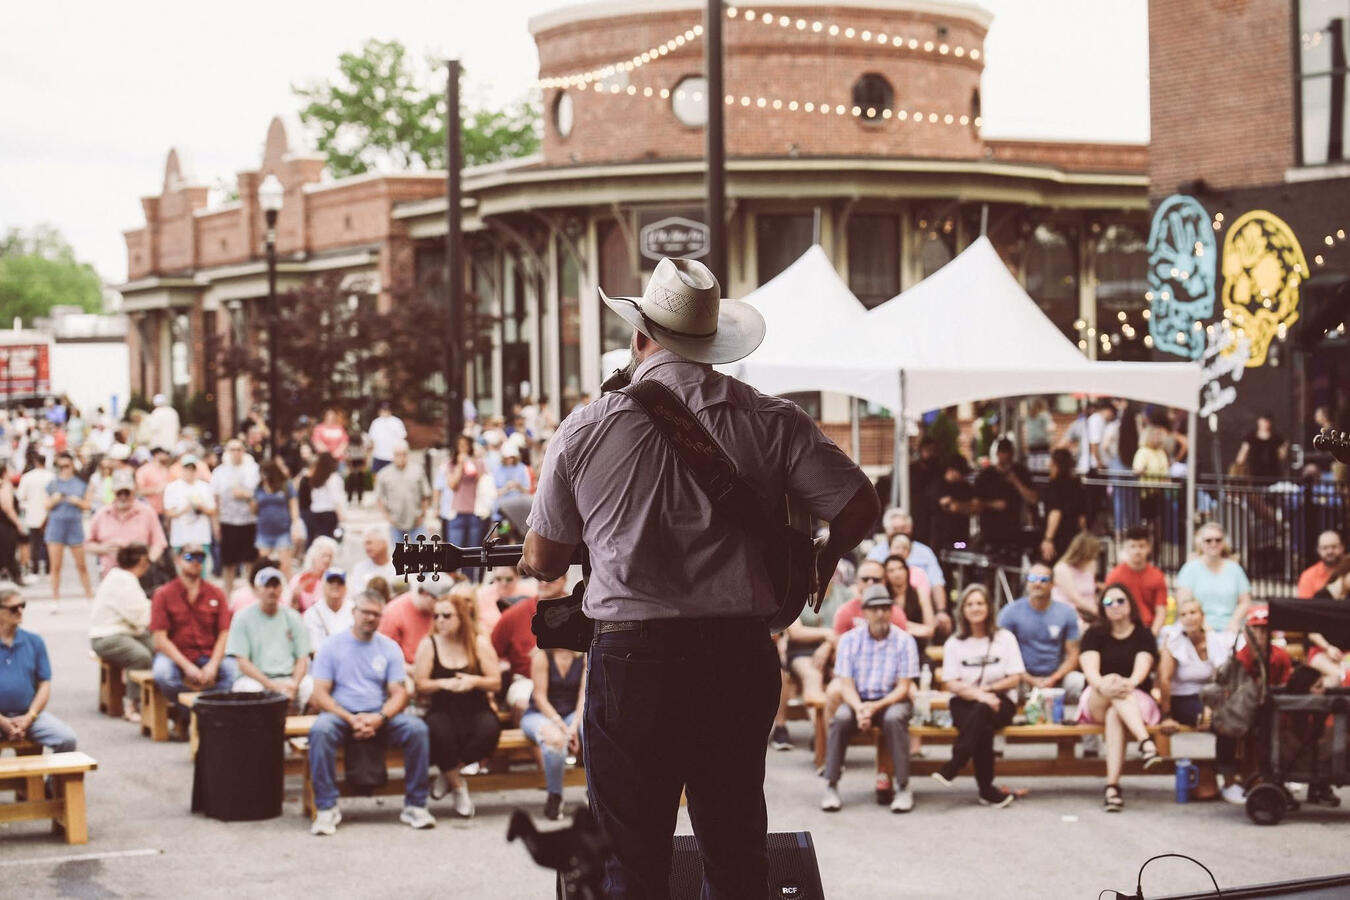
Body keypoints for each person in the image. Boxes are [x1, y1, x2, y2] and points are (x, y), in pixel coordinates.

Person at [521, 256, 877, 898]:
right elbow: (857, 504)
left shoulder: (585, 429)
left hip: (634, 659)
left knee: (631, 859)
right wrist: (820, 561)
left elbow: (544, 562)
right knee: (735, 845)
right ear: (713, 345)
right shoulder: (773, 420)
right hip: (737, 656)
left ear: (637, 338)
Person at [307, 588, 434, 835]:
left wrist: (379, 718)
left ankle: (416, 805)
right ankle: (326, 807)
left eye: (376, 614)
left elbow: (399, 692)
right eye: (365, 612)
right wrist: (350, 718)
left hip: (379, 714)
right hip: (341, 715)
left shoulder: (389, 648)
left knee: (417, 730)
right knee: (320, 731)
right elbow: (320, 692)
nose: (370, 618)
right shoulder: (332, 645)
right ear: (354, 612)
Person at [820, 585, 920, 814]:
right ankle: (831, 784)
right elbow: (846, 684)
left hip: (891, 700)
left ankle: (904, 786)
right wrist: (860, 708)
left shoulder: (904, 640)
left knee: (895, 719)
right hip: (859, 699)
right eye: (875, 609)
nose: (881, 614)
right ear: (864, 612)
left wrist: (874, 707)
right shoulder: (849, 640)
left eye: (885, 608)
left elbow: (904, 687)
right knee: (841, 719)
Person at [931, 584, 1022, 808]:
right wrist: (979, 696)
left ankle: (956, 762)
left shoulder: (1005, 638)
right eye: (970, 604)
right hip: (964, 702)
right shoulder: (954, 643)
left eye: (980, 603)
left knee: (983, 711)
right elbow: (951, 682)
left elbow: (1015, 678)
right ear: (962, 610)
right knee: (983, 726)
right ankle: (986, 790)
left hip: (1001, 701)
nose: (975, 608)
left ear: (989, 608)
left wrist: (988, 693)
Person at [414, 586, 502, 819]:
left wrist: (473, 681)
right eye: (436, 616)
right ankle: (459, 788)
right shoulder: (429, 644)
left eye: (446, 615)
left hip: (475, 705)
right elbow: (420, 684)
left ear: (461, 617)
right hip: (443, 706)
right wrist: (444, 684)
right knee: (440, 733)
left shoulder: (478, 643)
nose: (440, 621)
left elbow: (495, 683)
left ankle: (448, 775)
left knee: (489, 731)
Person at [1078, 583, 1166, 812]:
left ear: (1130, 604)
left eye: (1120, 601)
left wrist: (1129, 683)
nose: (1115, 606)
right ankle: (1146, 742)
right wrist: (1106, 685)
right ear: (1102, 608)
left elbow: (1141, 669)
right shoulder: (1094, 633)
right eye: (1108, 602)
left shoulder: (1143, 634)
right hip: (1097, 696)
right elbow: (1091, 672)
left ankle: (1112, 787)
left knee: (1115, 713)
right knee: (1112, 683)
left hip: (1135, 698)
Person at [150, 543, 237, 740]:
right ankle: (192, 715)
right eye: (190, 558)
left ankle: (194, 716)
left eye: (201, 558)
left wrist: (213, 665)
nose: (196, 563)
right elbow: (160, 639)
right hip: (176, 654)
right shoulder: (164, 594)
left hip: (207, 653)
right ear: (178, 560)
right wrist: (187, 667)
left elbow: (224, 633)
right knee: (164, 675)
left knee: (232, 673)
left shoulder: (216, 593)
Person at [0, 584, 77, 751]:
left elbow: (45, 684)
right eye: (14, 608)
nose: (20, 611)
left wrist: (30, 716)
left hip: (28, 714)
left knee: (67, 739)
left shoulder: (34, 641)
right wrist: (3, 722)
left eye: (23, 606)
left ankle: (52, 778)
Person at [227, 564, 311, 711]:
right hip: (256, 679)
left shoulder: (293, 617)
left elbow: (302, 658)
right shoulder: (242, 618)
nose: (272, 590)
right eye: (267, 586)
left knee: (311, 687)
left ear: (281, 589)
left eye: (275, 585)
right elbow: (242, 662)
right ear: (257, 590)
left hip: (288, 677)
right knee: (251, 690)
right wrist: (271, 686)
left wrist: (294, 684)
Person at [997, 562, 1084, 702]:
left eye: (1044, 580)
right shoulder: (1010, 612)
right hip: (1021, 677)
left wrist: (1054, 678)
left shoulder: (1067, 613)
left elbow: (1073, 655)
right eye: (1032, 579)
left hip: (1056, 678)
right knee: (1004, 685)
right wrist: (1030, 679)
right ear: (1026, 583)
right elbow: (1002, 652)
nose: (1038, 583)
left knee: (1078, 681)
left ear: (1052, 584)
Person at [89, 543, 155, 722]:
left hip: (122, 632)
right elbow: (141, 618)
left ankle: (154, 699)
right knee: (140, 656)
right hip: (107, 636)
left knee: (157, 647)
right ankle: (131, 704)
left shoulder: (121, 577)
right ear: (141, 561)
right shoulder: (123, 580)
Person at [865, 509, 949, 634]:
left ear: (910, 528)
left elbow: (937, 583)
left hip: (919, 608)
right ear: (887, 530)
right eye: (895, 529)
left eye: (903, 528)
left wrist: (941, 611)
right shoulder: (876, 553)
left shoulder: (924, 553)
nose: (899, 533)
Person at [491, 574, 562, 723]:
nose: (544, 582)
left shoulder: (580, 611)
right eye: (540, 578)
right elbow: (492, 653)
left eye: (552, 578)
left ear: (564, 579)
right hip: (526, 681)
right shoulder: (513, 614)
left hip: (569, 681)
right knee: (523, 704)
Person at [1157, 597, 1230, 730]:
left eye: (1192, 612)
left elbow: (1224, 676)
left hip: (1210, 697)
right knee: (1214, 721)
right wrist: (1166, 716)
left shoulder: (1214, 640)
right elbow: (1164, 679)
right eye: (1183, 615)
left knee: (1231, 717)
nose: (1188, 618)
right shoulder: (1173, 641)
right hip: (1182, 698)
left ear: (1202, 616)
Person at [85, 470, 167, 578]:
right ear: (113, 492)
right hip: (110, 573)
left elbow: (159, 543)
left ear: (133, 491)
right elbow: (87, 544)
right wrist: (102, 549)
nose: (123, 496)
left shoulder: (147, 512)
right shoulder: (102, 513)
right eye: (119, 493)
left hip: (140, 574)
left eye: (126, 492)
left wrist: (148, 562)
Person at [1175, 523, 1252, 633]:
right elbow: (1184, 602)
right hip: (1197, 629)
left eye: (1218, 540)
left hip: (1230, 629)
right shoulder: (1190, 569)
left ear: (1223, 543)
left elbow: (1245, 602)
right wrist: (1203, 625)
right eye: (1208, 540)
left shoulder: (1235, 569)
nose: (1213, 544)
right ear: (1200, 543)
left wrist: (1234, 622)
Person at [973, 438, 1037, 559]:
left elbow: (1033, 498)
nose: (1006, 457)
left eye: (1009, 453)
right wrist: (992, 504)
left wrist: (1016, 481)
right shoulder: (986, 475)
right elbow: (975, 503)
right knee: (990, 567)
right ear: (998, 454)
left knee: (1013, 566)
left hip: (1014, 530)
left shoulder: (1020, 472)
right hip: (990, 531)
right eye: (1003, 453)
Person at [44, 451, 94, 608]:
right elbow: (46, 505)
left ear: (72, 465)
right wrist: (55, 499)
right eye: (61, 466)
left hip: (74, 525)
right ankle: (55, 599)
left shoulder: (80, 484)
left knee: (82, 564)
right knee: (55, 566)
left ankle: (89, 596)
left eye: (66, 465)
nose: (64, 469)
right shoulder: (52, 484)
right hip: (56, 525)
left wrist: (77, 502)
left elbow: (88, 505)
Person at [212, 439, 260, 595]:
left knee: (250, 560)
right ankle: (227, 595)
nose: (236, 453)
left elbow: (260, 494)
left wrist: (245, 494)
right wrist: (216, 524)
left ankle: (252, 593)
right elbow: (216, 500)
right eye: (232, 449)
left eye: (239, 449)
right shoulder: (219, 472)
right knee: (228, 562)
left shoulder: (253, 470)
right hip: (228, 521)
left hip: (249, 521)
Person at [434, 434, 485, 574]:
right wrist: (460, 465)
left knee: (471, 553)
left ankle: (468, 581)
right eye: (460, 445)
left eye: (465, 445)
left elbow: (482, 481)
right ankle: (455, 580)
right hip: (457, 512)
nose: (463, 448)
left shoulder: (478, 462)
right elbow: (452, 485)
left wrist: (472, 463)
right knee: (454, 551)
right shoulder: (450, 464)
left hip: (475, 512)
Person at [1104, 526, 1169, 636]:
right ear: (1126, 548)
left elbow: (1161, 610)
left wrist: (1152, 634)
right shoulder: (1114, 576)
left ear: (1149, 547)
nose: (1137, 551)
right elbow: (1107, 606)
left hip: (1149, 628)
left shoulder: (1157, 576)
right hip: (1121, 629)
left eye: (1141, 546)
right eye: (1132, 546)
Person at [380, 578, 452, 665]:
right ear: (425, 593)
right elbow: (383, 653)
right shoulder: (393, 612)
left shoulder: (440, 612)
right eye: (439, 601)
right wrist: (409, 670)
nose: (443, 606)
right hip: (406, 670)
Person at [375, 441, 430, 550]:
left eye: (403, 454)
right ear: (393, 455)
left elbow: (425, 494)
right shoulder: (384, 473)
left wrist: (422, 514)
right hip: (396, 523)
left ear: (407, 454)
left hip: (416, 521)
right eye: (397, 454)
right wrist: (387, 517)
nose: (401, 457)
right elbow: (379, 498)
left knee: (424, 555)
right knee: (399, 558)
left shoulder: (417, 470)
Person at [163, 454, 215, 567]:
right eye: (187, 468)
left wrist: (200, 507)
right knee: (183, 567)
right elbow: (169, 512)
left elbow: (212, 510)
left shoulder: (204, 487)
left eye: (192, 469)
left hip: (200, 537)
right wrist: (184, 509)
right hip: (181, 538)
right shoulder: (172, 488)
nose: (189, 471)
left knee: (199, 567)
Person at [831, 560, 908, 636]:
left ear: (884, 581)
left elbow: (902, 642)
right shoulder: (845, 611)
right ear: (857, 581)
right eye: (865, 579)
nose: (870, 583)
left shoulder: (896, 613)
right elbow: (839, 644)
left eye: (876, 580)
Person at [1306, 557, 1350, 688]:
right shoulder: (1321, 596)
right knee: (1341, 676)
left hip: (1345, 654)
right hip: (1321, 651)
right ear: (1344, 572)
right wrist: (1328, 648)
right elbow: (1312, 631)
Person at [253, 459, 300, 579]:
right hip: (264, 530)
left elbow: (293, 506)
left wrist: (295, 524)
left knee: (285, 565)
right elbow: (254, 510)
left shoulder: (285, 485)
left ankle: (288, 591)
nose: (264, 476)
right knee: (263, 564)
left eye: (266, 473)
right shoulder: (259, 488)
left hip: (282, 530)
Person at [1040, 448, 1086, 564]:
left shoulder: (1054, 486)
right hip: (1073, 537)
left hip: (1058, 538)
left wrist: (1048, 539)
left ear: (1055, 464)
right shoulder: (1077, 485)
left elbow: (1056, 512)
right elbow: (1082, 519)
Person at [302, 564, 354, 656]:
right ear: (323, 586)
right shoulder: (312, 613)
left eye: (340, 582)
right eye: (331, 582)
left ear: (346, 587)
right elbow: (314, 650)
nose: (335, 585)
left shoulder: (355, 610)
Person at [1053, 531, 1102, 624]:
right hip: (1069, 610)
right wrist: (1096, 611)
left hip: (1089, 610)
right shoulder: (1062, 568)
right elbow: (1074, 597)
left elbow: (1092, 590)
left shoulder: (1091, 565)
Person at [17, 453, 53, 577]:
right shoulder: (52, 477)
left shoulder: (27, 477)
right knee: (48, 543)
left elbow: (21, 496)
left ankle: (35, 570)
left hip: (33, 514)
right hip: (48, 515)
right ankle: (49, 569)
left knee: (34, 543)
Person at [475, 565, 537, 634]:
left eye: (509, 579)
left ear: (517, 577)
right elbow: (476, 622)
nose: (503, 583)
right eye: (498, 579)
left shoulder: (529, 593)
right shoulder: (482, 594)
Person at [287, 536, 340, 613]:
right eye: (324, 555)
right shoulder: (299, 579)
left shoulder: (335, 582)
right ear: (313, 556)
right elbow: (289, 606)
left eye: (330, 557)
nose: (327, 560)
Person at [300, 452, 344, 542]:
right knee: (328, 541)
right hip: (328, 513)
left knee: (315, 540)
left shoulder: (315, 478)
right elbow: (336, 498)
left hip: (315, 511)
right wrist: (341, 515)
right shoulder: (333, 478)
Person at [1234, 413, 1287, 479]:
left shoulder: (1277, 439)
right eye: (1263, 421)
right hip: (1254, 475)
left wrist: (1285, 448)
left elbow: (1282, 457)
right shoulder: (1251, 438)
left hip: (1272, 475)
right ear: (1258, 421)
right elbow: (1241, 458)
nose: (1265, 423)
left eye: (1267, 421)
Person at [349, 527, 397, 595]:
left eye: (369, 543)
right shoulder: (359, 568)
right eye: (365, 544)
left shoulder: (401, 567)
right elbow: (356, 595)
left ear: (384, 543)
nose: (366, 548)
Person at [1297, 530, 1345, 598]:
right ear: (1318, 550)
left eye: (1334, 547)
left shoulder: (1347, 572)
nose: (1330, 551)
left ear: (1342, 548)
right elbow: (1304, 606)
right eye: (1325, 548)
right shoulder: (1308, 576)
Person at [367, 401, 407, 476]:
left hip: (392, 456)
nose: (385, 412)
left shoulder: (397, 422)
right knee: (376, 475)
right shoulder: (376, 422)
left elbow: (402, 437)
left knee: (393, 475)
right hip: (378, 454)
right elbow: (371, 439)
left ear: (390, 411)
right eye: (383, 410)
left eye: (386, 410)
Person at [135, 445, 172, 522]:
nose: (166, 456)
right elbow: (138, 491)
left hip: (162, 513)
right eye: (164, 453)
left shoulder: (166, 470)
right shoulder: (144, 470)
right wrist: (155, 490)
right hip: (147, 511)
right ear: (157, 454)